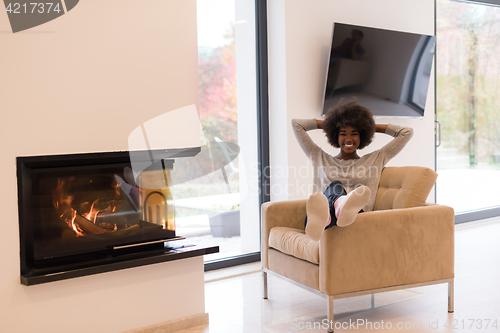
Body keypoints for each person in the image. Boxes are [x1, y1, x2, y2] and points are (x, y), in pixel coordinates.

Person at [291, 99, 413, 241]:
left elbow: (406, 132)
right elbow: (296, 124)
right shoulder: (319, 157)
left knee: (336, 187)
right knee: (335, 186)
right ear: (335, 135)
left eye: (354, 133)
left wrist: (369, 126)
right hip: (320, 221)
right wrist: (332, 123)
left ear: (362, 135)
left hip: (357, 217)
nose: (348, 138)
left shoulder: (376, 159)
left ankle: (342, 206)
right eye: (343, 133)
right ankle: (335, 209)